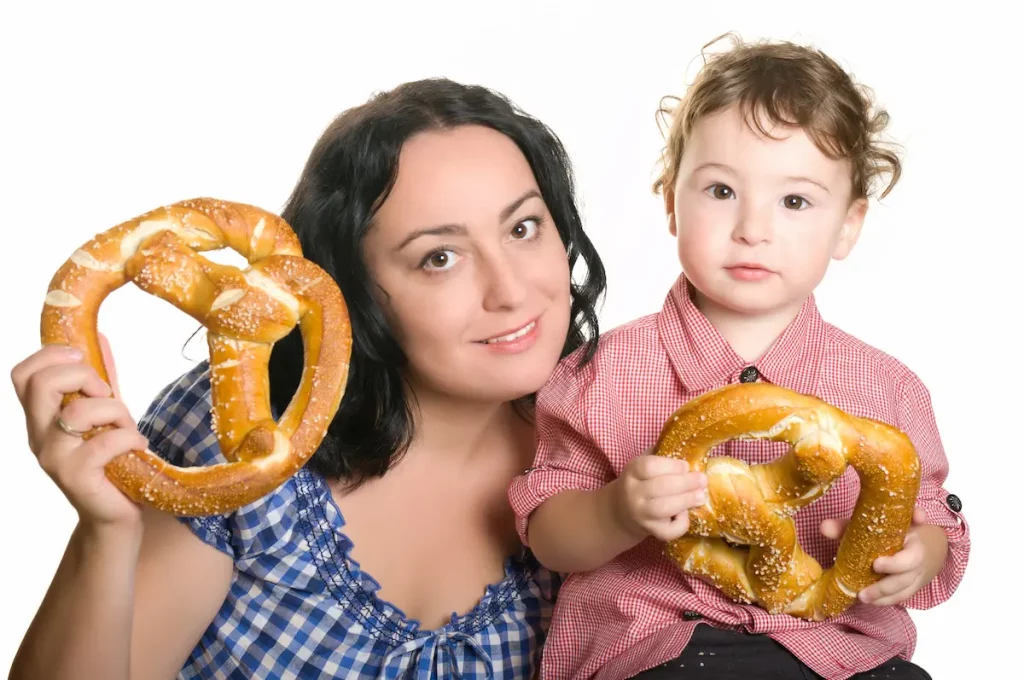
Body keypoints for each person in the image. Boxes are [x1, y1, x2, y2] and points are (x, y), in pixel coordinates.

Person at [9, 77, 607, 680]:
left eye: (523, 228)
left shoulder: (610, 452)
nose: (511, 292)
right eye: (439, 257)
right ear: (350, 290)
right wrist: (107, 531)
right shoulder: (241, 438)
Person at [509, 35, 969, 680]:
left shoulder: (886, 388)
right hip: (657, 646)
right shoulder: (599, 375)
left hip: (838, 651)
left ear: (848, 225)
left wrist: (919, 554)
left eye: (795, 201)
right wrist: (616, 511)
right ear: (670, 200)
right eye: (721, 191)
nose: (754, 227)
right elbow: (549, 538)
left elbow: (926, 514)